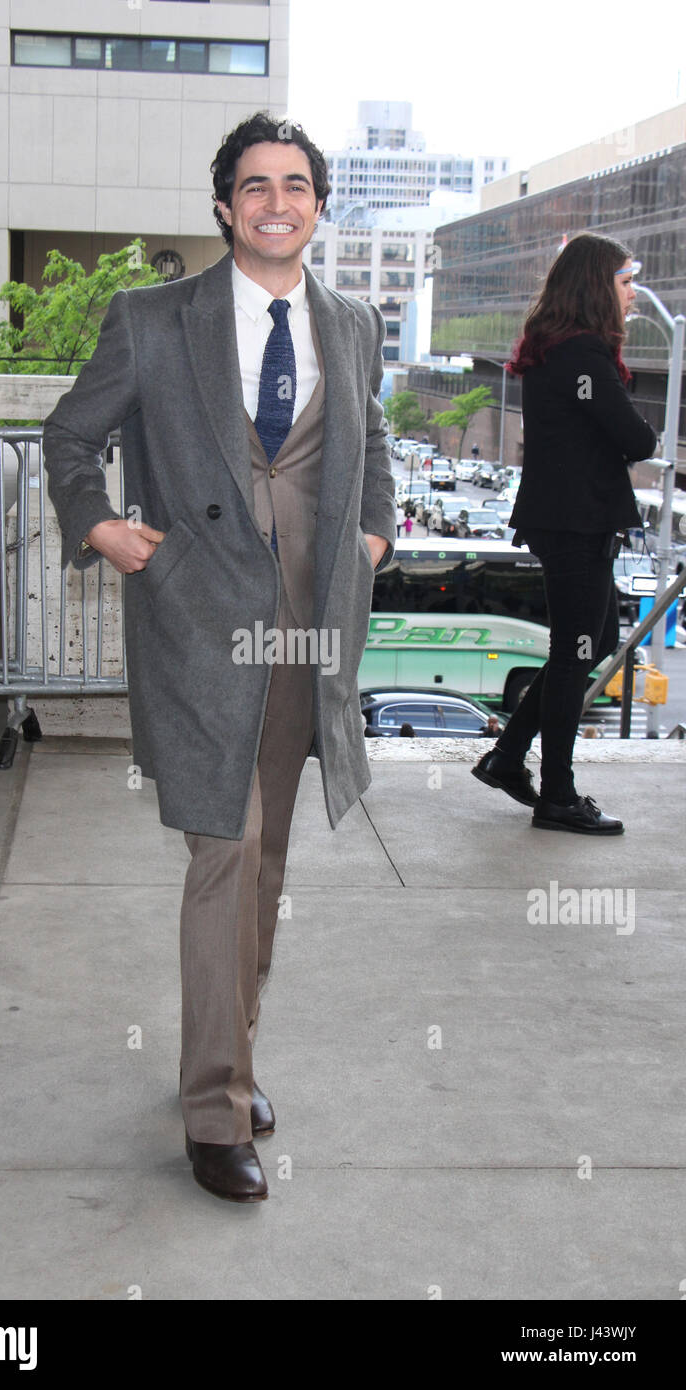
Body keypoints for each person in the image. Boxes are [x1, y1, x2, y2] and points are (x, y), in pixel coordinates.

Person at [42, 112, 395, 1203]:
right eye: (254, 185)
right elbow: (69, 436)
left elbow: (370, 437)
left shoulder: (353, 321)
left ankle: (231, 1058)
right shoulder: (152, 320)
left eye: (296, 184)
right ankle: (211, 1110)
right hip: (197, 622)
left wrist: (375, 530)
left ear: (319, 206)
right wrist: (99, 525)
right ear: (222, 205)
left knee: (269, 863)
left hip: (306, 629)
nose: (275, 201)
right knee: (225, 854)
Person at [472, 233, 657, 834]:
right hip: (578, 524)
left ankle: (506, 758)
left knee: (591, 642)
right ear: (598, 284)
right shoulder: (583, 355)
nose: (632, 295)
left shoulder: (557, 349)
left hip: (564, 520)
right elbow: (638, 441)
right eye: (626, 282)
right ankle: (557, 794)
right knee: (576, 652)